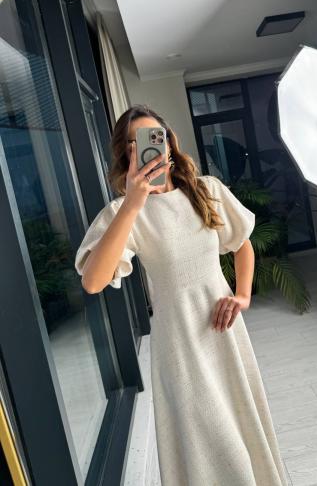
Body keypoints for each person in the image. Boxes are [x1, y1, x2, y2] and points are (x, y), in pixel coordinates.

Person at [74, 104, 289, 486]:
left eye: (152, 137)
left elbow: (242, 243)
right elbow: (93, 281)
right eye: (132, 142)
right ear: (125, 153)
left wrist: (242, 295)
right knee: (211, 445)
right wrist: (133, 204)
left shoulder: (208, 190)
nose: (144, 147)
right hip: (179, 349)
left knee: (241, 428)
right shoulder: (122, 212)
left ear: (168, 143)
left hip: (224, 338)